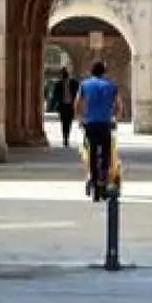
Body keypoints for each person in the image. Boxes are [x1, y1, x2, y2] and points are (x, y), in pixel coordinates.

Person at [75, 60, 122, 202]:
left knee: (92, 152)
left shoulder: (84, 85)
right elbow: (119, 105)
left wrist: (80, 119)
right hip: (105, 124)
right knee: (106, 154)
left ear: (91, 71)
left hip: (90, 124)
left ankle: (94, 181)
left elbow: (77, 103)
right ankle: (103, 179)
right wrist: (115, 119)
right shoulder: (111, 86)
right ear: (104, 72)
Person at [49, 67, 81, 148]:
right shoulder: (58, 84)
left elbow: (78, 94)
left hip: (71, 105)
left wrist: (79, 105)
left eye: (66, 73)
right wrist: (52, 106)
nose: (65, 74)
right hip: (62, 105)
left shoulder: (74, 83)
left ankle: (67, 135)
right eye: (64, 73)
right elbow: (55, 96)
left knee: (69, 121)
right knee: (63, 122)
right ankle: (65, 138)